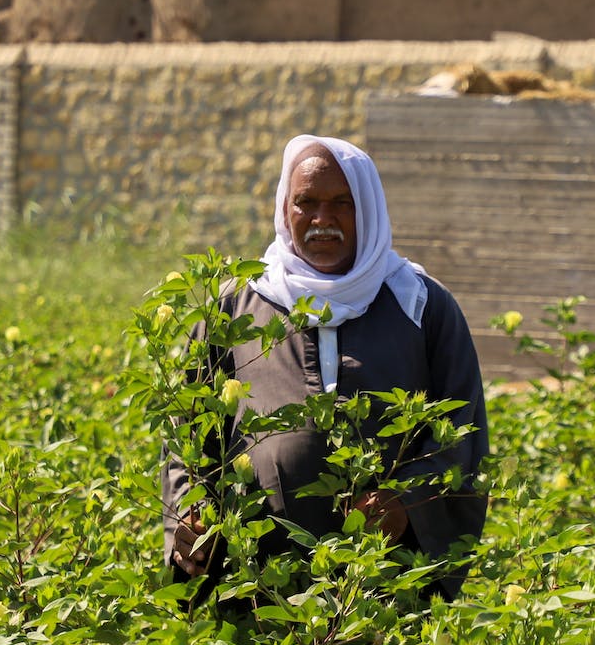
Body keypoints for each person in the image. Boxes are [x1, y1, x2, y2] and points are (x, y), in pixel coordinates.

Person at [161, 134, 489, 600]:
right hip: (256, 582)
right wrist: (188, 517)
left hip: (381, 581)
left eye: (341, 203)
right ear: (284, 209)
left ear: (368, 209)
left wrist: (408, 504)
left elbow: (463, 432)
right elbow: (189, 434)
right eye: (306, 203)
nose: (322, 220)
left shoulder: (421, 305)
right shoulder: (238, 304)